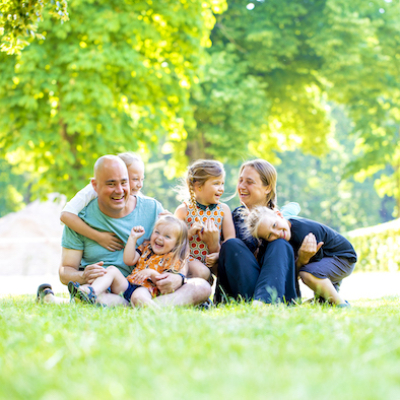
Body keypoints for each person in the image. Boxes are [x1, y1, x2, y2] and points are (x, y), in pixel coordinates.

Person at [39, 155, 211, 307]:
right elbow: (65, 272)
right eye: (111, 184)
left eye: (124, 182)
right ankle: (147, 306)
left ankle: (146, 305)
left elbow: (179, 243)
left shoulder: (152, 209)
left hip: (148, 288)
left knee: (201, 286)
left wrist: (178, 277)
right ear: (95, 186)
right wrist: (82, 276)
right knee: (100, 297)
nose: (119, 190)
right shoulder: (79, 219)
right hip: (107, 290)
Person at [215, 159, 299, 305]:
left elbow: (292, 269)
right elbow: (222, 268)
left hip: (279, 294)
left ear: (267, 188)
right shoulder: (231, 219)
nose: (241, 186)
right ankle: (260, 303)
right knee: (231, 244)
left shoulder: (283, 222)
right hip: (243, 293)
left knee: (280, 244)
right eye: (240, 180)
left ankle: (265, 302)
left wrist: (304, 257)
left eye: (249, 182)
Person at [68, 215, 189, 308]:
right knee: (111, 270)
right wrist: (133, 238)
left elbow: (166, 282)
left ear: (176, 243)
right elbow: (129, 260)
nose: (159, 237)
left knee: (138, 297)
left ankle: (157, 311)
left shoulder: (172, 258)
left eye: (167, 236)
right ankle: (91, 292)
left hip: (147, 290)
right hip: (128, 285)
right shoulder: (147, 247)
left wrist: (151, 272)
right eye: (157, 232)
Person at [245, 206, 357, 306]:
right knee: (322, 300)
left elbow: (315, 262)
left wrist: (300, 261)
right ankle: (325, 300)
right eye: (270, 235)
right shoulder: (284, 231)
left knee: (307, 273)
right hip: (329, 258)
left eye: (274, 225)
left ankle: (341, 304)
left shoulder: (305, 233)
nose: (277, 233)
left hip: (343, 258)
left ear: (279, 215)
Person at [60, 152, 145, 252]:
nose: (140, 185)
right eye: (135, 179)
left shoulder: (136, 196)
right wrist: (99, 237)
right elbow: (65, 215)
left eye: (142, 179)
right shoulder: (93, 189)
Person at [175, 159, 235, 282]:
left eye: (222, 183)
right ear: (198, 186)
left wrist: (219, 255)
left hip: (214, 256)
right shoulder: (184, 210)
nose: (221, 188)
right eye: (216, 183)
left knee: (229, 271)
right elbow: (172, 239)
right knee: (202, 272)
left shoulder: (223, 210)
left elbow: (230, 240)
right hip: (189, 259)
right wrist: (190, 232)